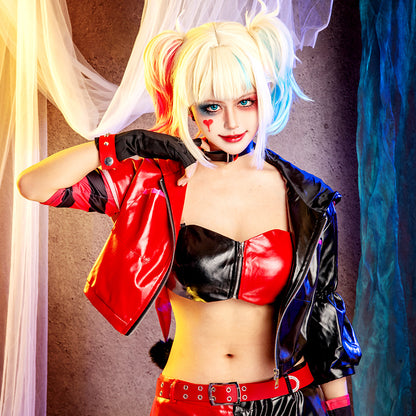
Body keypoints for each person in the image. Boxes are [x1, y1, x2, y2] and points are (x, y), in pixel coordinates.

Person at [17, 9, 361, 416]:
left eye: (246, 101)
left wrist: (340, 409)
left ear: (266, 96)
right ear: (190, 108)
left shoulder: (307, 198)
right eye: (211, 106)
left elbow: (324, 310)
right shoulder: (153, 185)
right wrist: (126, 144)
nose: (231, 122)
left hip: (289, 404)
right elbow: (34, 185)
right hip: (190, 404)